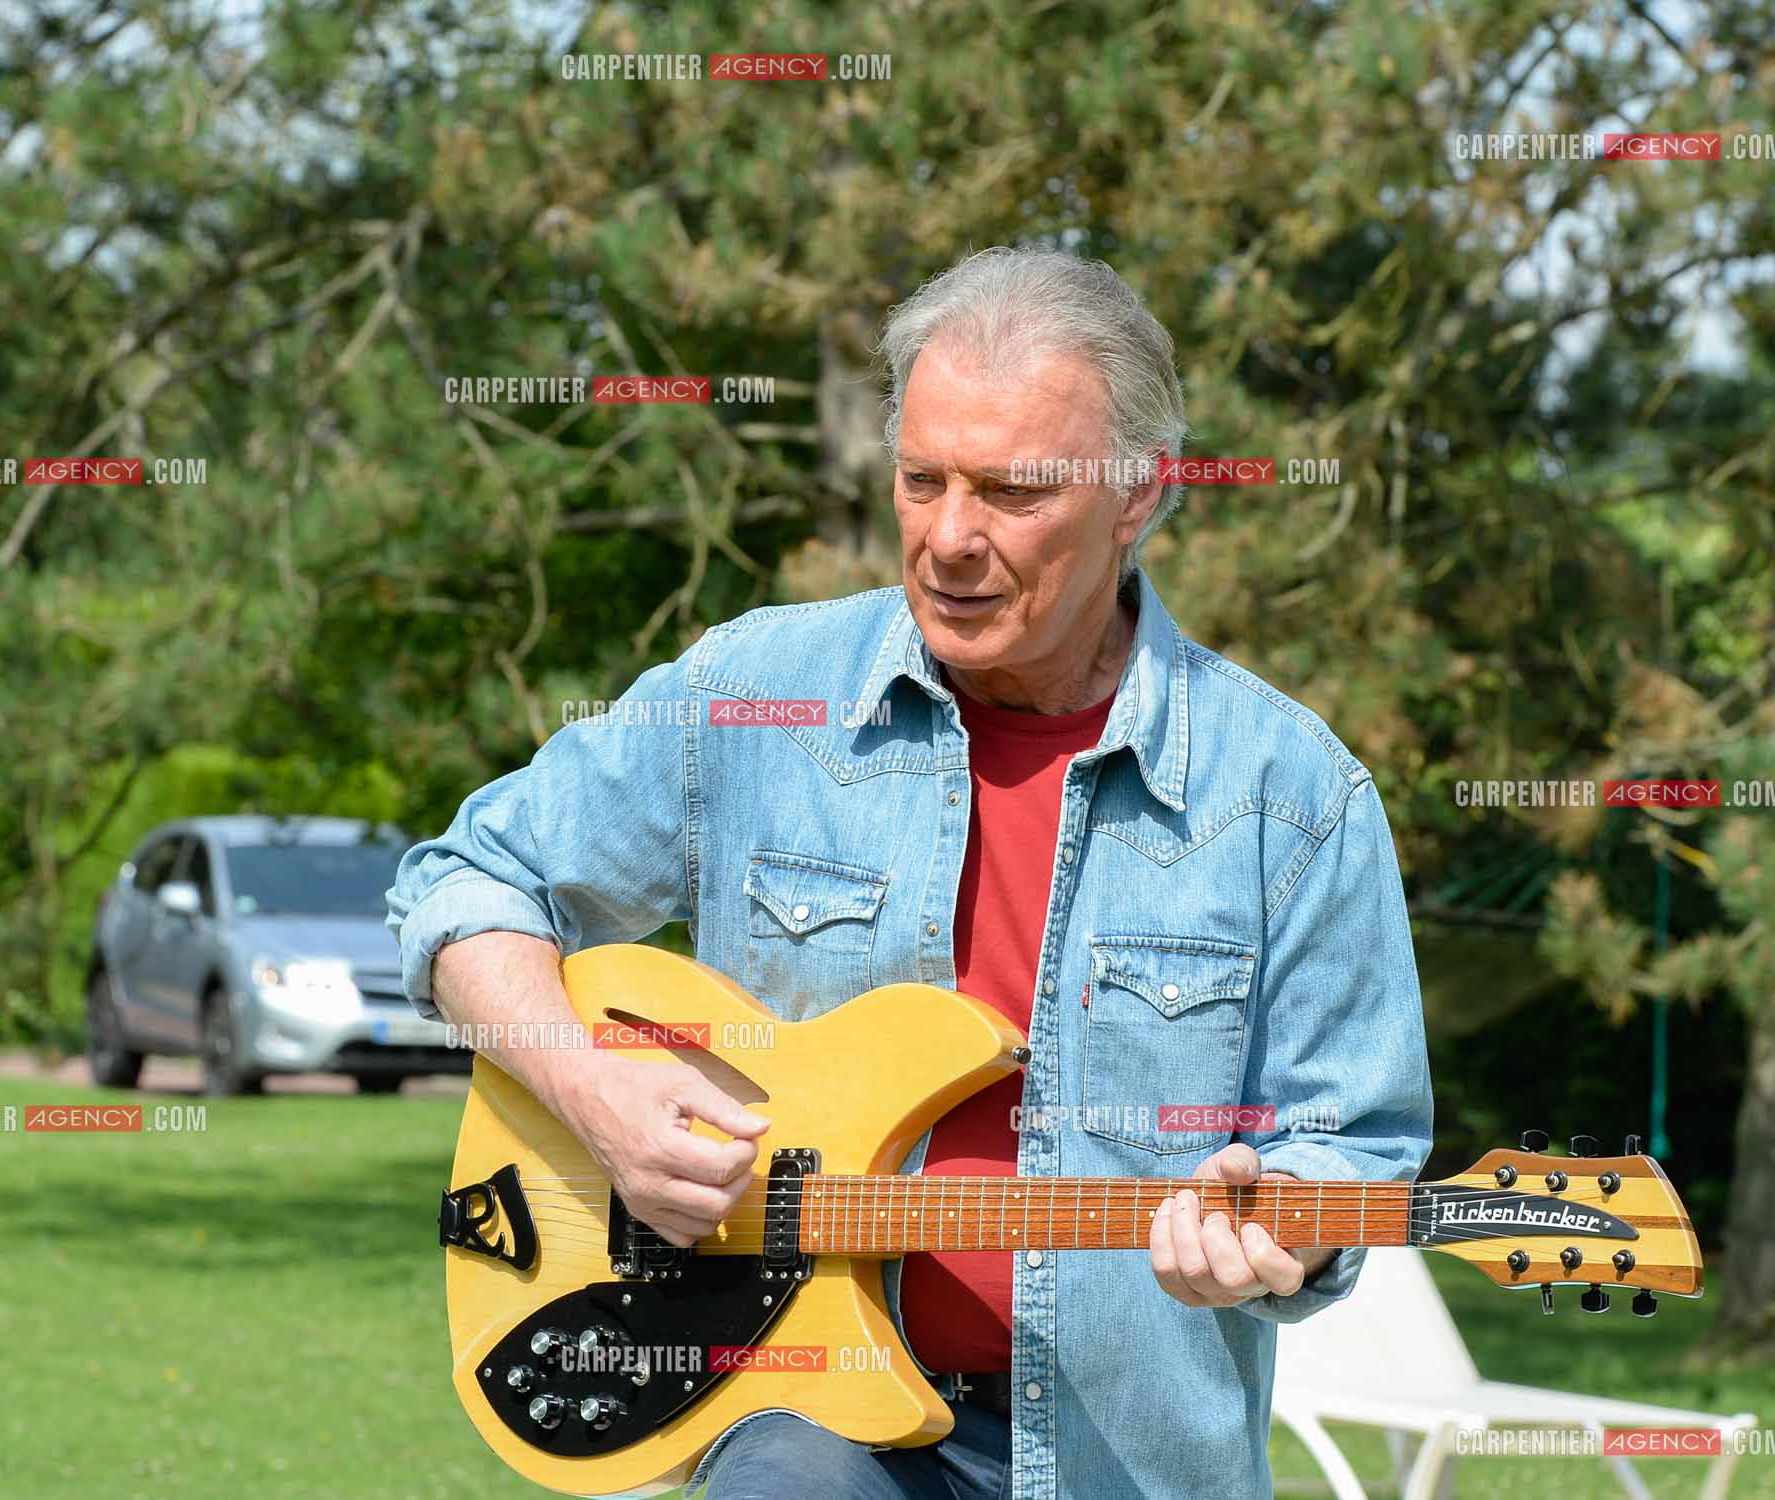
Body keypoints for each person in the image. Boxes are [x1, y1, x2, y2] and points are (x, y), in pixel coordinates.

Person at [388, 246, 1433, 1499]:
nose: (950, 539)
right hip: (800, 1420)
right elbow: (466, 881)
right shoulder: (755, 695)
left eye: (1012, 491)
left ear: (1139, 496)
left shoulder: (1292, 795)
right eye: (922, 478)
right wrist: (595, 1095)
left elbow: (1347, 1143)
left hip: (1132, 1462)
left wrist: (1279, 1226)